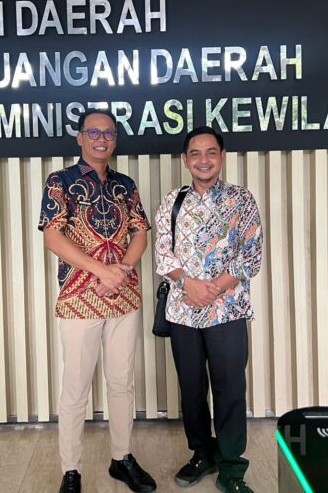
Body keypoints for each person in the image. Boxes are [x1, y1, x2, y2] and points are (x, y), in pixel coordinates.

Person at [39, 109, 157, 493]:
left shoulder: (125, 184)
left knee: (121, 382)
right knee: (76, 387)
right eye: (93, 132)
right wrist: (101, 271)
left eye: (108, 133)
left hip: (124, 297)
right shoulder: (60, 181)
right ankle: (71, 470)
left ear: (115, 138)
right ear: (80, 138)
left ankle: (122, 458)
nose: (101, 139)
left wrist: (120, 269)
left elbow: (140, 232)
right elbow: (53, 236)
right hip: (79, 298)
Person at [155, 126, 263, 493]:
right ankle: (203, 453)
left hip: (227, 311)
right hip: (183, 312)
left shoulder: (241, 199)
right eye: (195, 153)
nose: (204, 160)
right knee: (191, 389)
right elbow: (163, 254)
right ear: (185, 160)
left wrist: (212, 289)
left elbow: (251, 255)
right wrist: (189, 285)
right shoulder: (172, 201)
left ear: (222, 156)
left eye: (211, 152)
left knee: (230, 389)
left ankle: (232, 467)